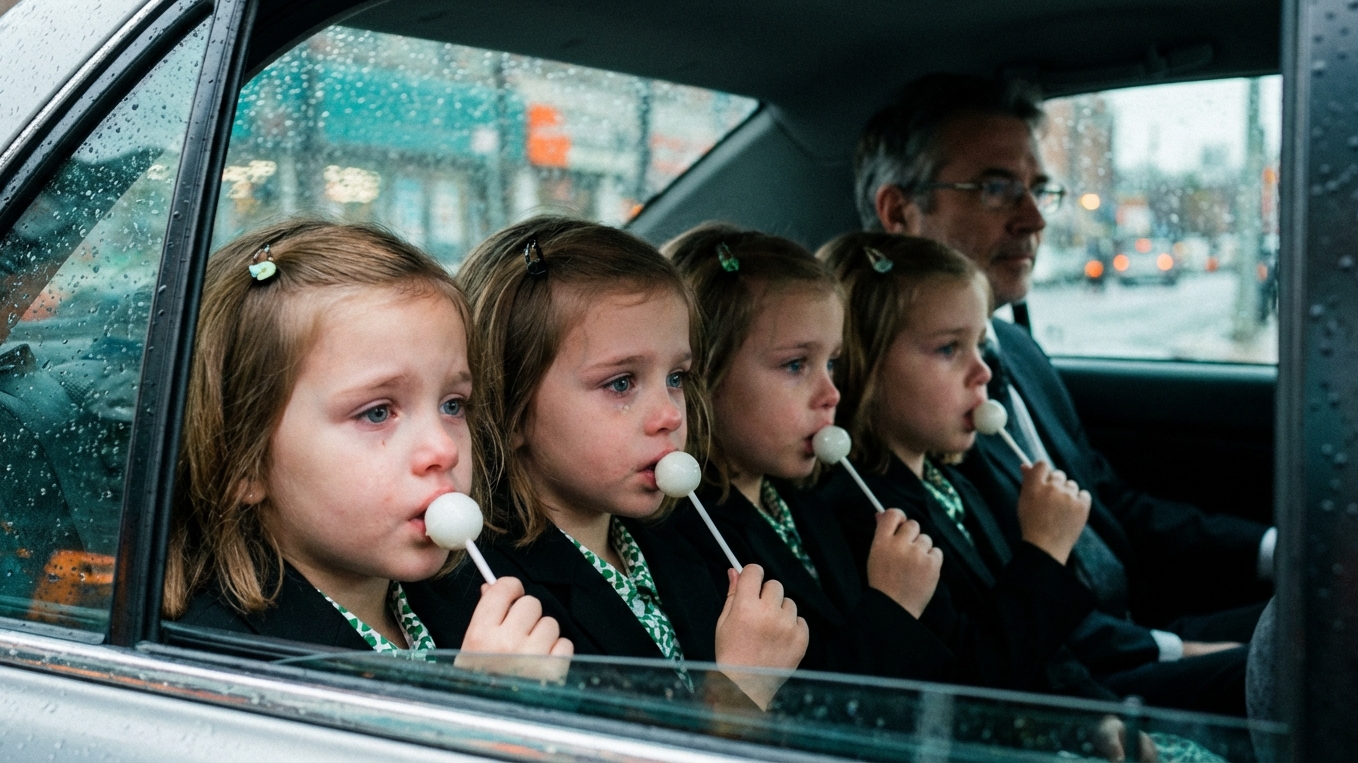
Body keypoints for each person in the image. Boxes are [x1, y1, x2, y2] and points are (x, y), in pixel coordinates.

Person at [853, 73, 1271, 715]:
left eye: (1038, 188)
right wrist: (1174, 650)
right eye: (996, 188)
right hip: (1079, 675)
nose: (1035, 217)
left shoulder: (1014, 350)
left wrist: (1277, 552)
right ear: (899, 211)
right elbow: (1002, 620)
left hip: (1129, 631)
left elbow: (1107, 504)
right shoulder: (909, 411)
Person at [416, 216, 809, 710]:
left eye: (677, 378)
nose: (669, 415)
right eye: (620, 383)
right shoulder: (491, 602)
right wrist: (742, 687)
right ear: (510, 408)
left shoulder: (685, 546)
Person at [166, 220, 572, 664]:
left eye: (453, 405)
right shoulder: (219, 658)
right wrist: (485, 699)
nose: (444, 449)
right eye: (377, 413)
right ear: (243, 463)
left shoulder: (471, 602)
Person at [817, 230, 1103, 697]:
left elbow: (1051, 658)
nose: (983, 372)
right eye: (949, 349)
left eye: (980, 346)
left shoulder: (948, 478)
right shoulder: (869, 519)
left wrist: (1096, 715)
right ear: (864, 365)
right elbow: (974, 679)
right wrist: (1045, 551)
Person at [662, 222, 951, 681]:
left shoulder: (805, 502)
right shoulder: (687, 540)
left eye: (831, 363)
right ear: (705, 375)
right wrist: (893, 605)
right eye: (796, 365)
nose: (831, 392)